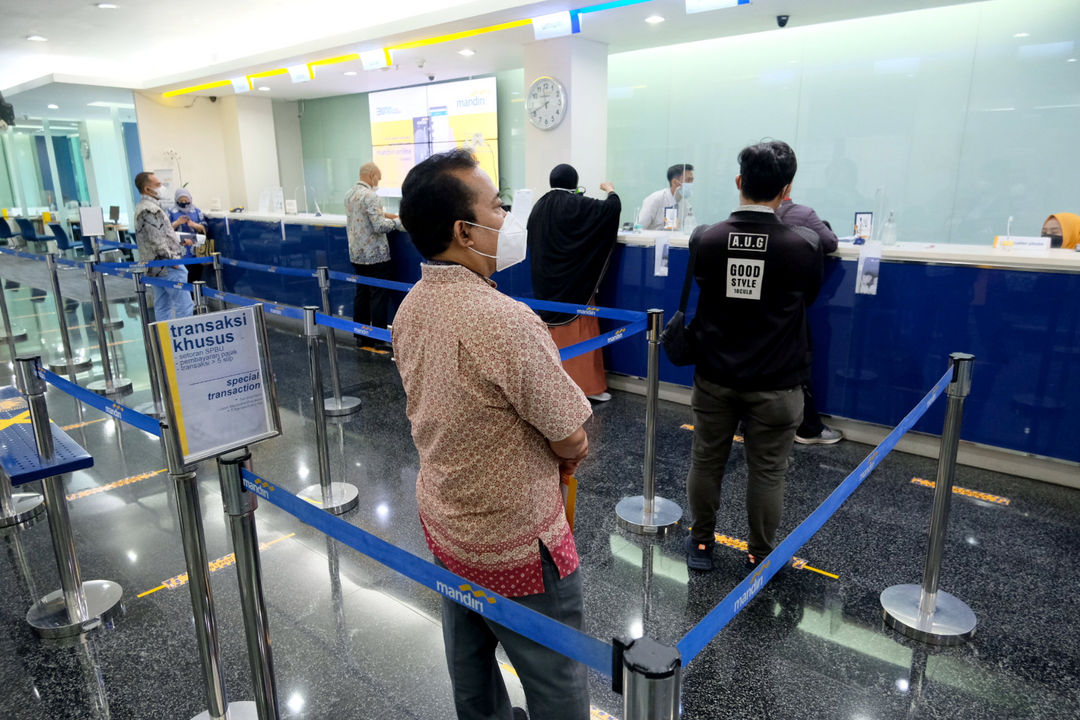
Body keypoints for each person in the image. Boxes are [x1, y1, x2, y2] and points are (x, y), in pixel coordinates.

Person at [394, 148, 592, 720]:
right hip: (517, 544)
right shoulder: (505, 319)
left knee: (471, 670)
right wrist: (571, 450)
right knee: (555, 678)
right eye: (499, 207)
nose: (507, 219)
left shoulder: (410, 307)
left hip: (448, 524)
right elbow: (570, 436)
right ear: (464, 229)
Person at [684, 141, 823, 572]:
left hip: (715, 375)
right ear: (786, 190)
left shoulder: (706, 238)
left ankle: (702, 545)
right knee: (768, 471)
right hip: (778, 381)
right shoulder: (804, 245)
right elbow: (809, 297)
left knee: (707, 459)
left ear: (739, 182)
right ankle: (759, 554)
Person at [527, 163, 622, 402]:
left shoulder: (539, 206)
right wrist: (611, 190)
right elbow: (610, 210)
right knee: (582, 331)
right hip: (575, 285)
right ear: (574, 182)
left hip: (546, 283)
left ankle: (551, 385)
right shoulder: (576, 204)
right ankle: (588, 387)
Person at [776, 195, 844, 446]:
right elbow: (828, 241)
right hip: (793, 307)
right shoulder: (803, 214)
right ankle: (808, 427)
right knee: (800, 364)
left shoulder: (743, 218)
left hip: (760, 310)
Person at [345, 162, 403, 350]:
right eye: (378, 177)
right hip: (375, 255)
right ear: (371, 175)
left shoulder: (350, 194)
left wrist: (390, 215)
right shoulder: (371, 196)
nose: (379, 181)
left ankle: (361, 334)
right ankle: (377, 336)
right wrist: (398, 222)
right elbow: (379, 226)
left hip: (357, 254)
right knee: (378, 295)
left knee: (361, 293)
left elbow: (369, 215)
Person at [133, 171, 194, 320]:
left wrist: (178, 242)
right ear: (147, 189)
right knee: (184, 306)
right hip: (167, 266)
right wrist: (172, 261)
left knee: (163, 305)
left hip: (156, 266)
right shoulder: (150, 209)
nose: (162, 187)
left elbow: (158, 236)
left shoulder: (145, 207)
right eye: (158, 185)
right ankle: (183, 341)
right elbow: (157, 241)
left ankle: (166, 341)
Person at [168, 188, 209, 283]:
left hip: (196, 251)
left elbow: (205, 228)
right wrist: (177, 223)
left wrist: (193, 224)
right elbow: (165, 230)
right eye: (181, 200)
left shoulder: (197, 211)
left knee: (196, 278)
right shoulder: (170, 212)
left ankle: (196, 296)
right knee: (183, 279)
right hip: (179, 252)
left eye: (186, 200)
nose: (184, 202)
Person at [637, 163, 694, 231]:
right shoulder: (655, 199)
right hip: (653, 241)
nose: (691, 183)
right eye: (688, 180)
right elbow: (639, 229)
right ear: (675, 182)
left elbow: (688, 229)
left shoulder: (685, 204)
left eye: (692, 180)